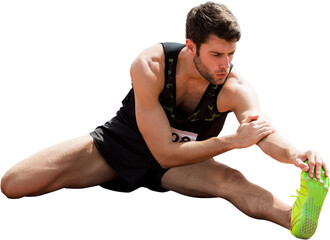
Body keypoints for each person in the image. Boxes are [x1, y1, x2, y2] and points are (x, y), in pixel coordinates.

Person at [1, 2, 328, 239]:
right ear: (191, 46)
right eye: (216, 54)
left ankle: (294, 218)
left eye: (231, 55)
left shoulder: (234, 87)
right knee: (13, 184)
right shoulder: (151, 66)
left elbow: (262, 132)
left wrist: (295, 155)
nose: (225, 65)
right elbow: (163, 151)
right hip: (119, 146)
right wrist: (230, 140)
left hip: (180, 164)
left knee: (231, 180)